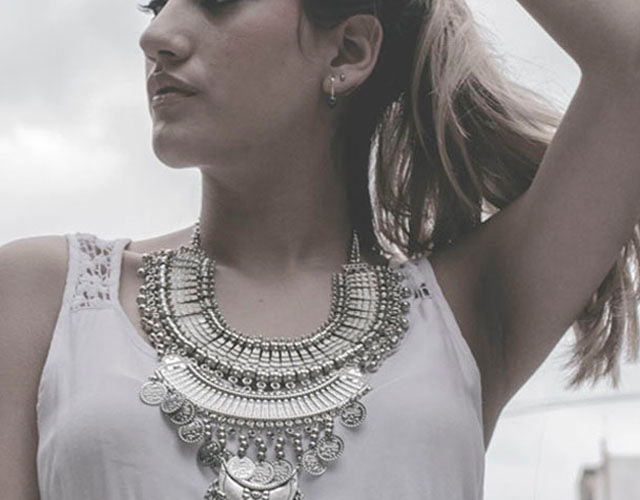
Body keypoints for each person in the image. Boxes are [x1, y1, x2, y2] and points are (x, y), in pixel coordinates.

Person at [2, 0, 639, 498]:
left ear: (349, 51)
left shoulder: (467, 307)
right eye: (156, 2)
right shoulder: (46, 298)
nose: (157, 34)